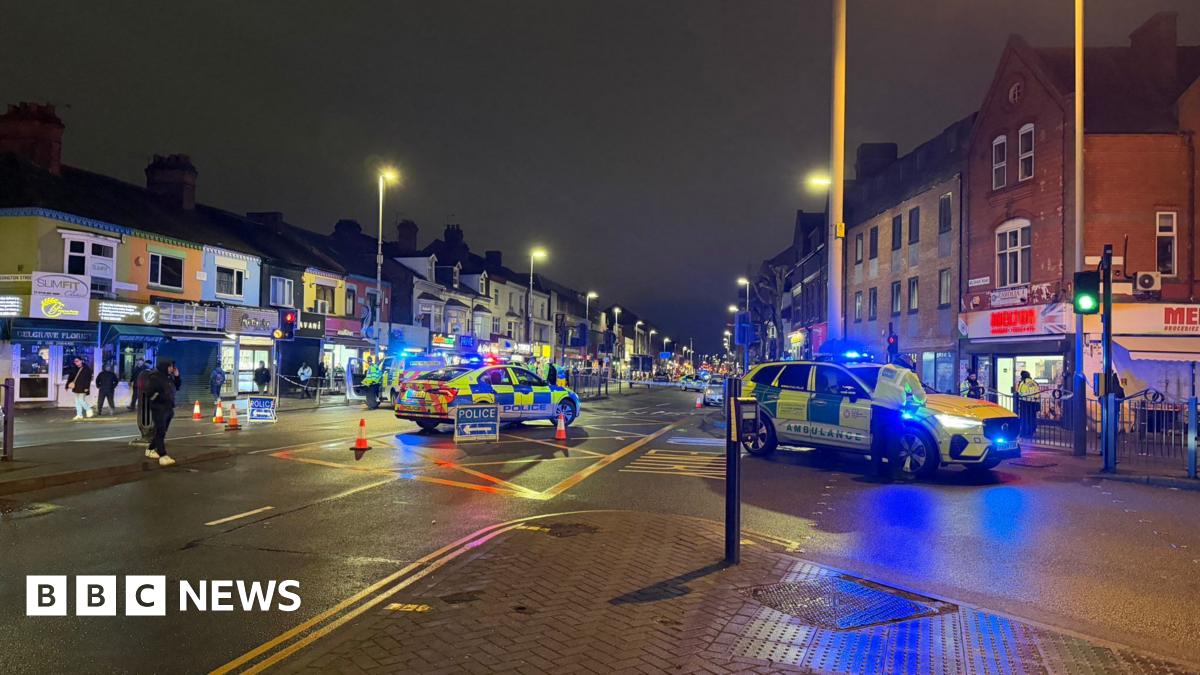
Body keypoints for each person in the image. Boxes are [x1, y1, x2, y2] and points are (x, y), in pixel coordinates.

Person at [869, 363, 927, 481]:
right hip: (892, 411)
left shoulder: (884, 368)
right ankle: (895, 473)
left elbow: (888, 386)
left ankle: (874, 470)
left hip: (877, 408)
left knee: (877, 440)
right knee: (893, 442)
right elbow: (919, 396)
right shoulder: (908, 374)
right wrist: (922, 401)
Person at [145, 359, 179, 466]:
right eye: (170, 366)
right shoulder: (155, 377)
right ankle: (163, 455)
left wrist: (177, 377)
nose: (172, 369)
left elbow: (177, 387)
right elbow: (149, 393)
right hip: (159, 408)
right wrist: (160, 398)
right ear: (165, 367)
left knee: (162, 431)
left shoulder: (169, 377)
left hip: (168, 408)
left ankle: (150, 449)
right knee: (160, 431)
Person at [65, 356, 95, 420]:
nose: (76, 363)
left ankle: (89, 409)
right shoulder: (74, 368)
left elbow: (88, 380)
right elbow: (70, 377)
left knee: (81, 400)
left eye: (77, 361)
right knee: (77, 401)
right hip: (76, 387)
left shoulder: (86, 369)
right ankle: (79, 415)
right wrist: (67, 385)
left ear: (81, 361)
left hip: (83, 387)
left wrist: (86, 388)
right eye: (75, 361)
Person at [1015, 370, 1041, 440]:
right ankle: (1031, 432)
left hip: (1025, 403)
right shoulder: (1034, 382)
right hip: (1034, 403)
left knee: (1024, 419)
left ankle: (1025, 433)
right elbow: (1038, 393)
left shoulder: (1023, 383)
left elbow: (1019, 392)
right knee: (1032, 418)